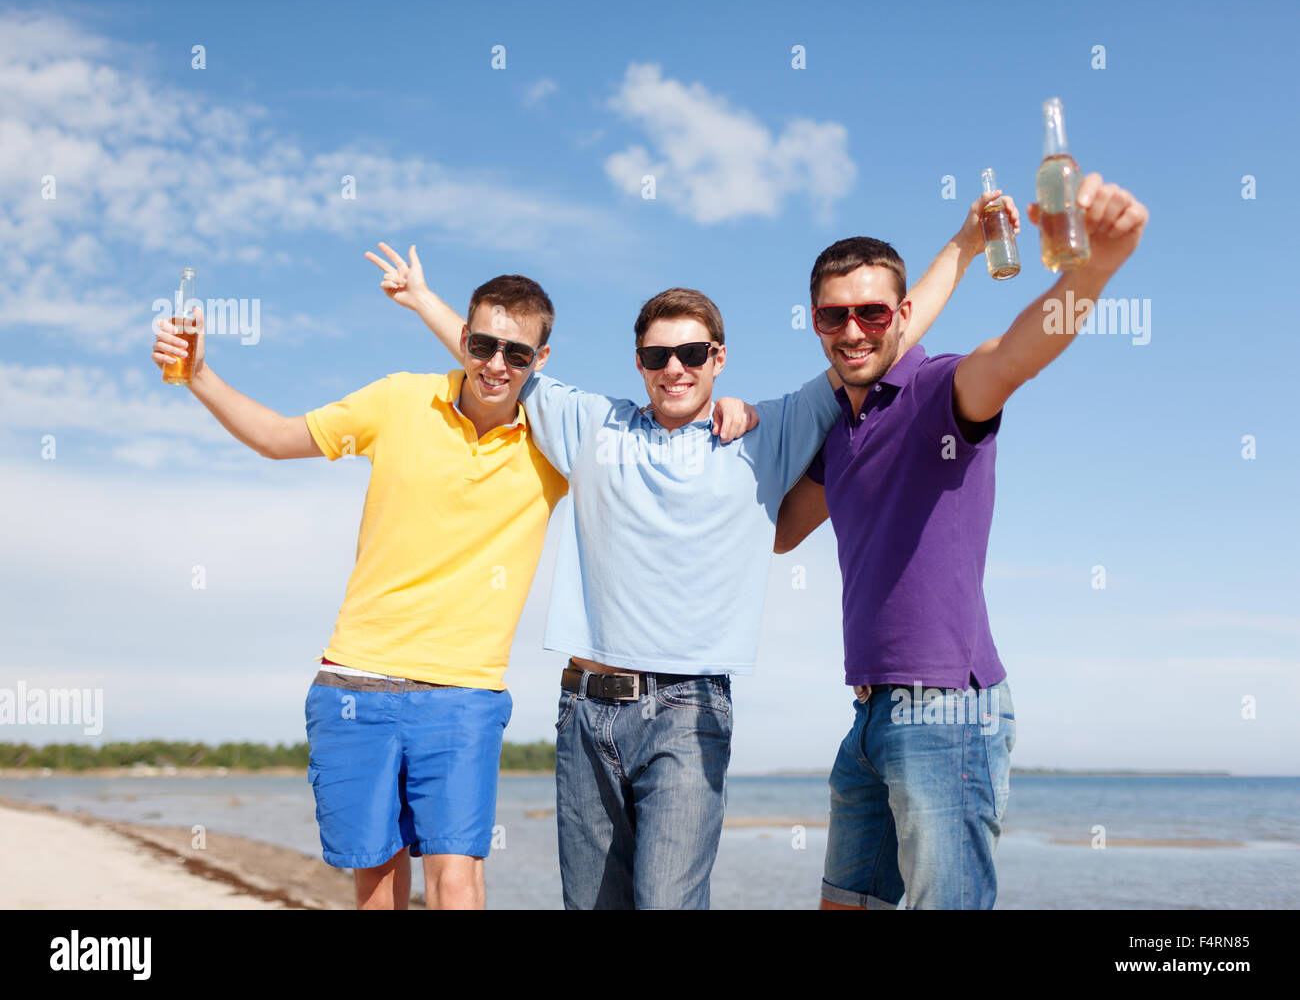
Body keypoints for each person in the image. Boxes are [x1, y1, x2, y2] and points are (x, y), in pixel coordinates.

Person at [367, 188, 1011, 908]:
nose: (675, 368)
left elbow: (873, 329)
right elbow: (499, 359)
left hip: (689, 710)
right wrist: (424, 300)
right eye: (657, 355)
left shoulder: (772, 429)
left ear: (718, 358)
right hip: (585, 710)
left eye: (692, 354)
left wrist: (963, 246)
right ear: (638, 362)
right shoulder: (592, 424)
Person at [775, 172, 1148, 909]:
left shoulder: (939, 394)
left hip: (948, 711)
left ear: (902, 315)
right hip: (871, 713)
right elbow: (781, 530)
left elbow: (1016, 352)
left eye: (873, 313)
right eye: (834, 316)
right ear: (815, 322)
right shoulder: (838, 437)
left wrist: (1096, 267)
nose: (854, 330)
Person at [150, 275, 574, 909]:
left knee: (458, 879)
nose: (496, 365)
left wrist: (740, 418)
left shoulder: (554, 442)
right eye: (484, 345)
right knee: (377, 887)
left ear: (539, 361)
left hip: (463, 695)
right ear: (464, 339)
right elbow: (276, 437)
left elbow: (650, 445)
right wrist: (199, 374)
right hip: (355, 684)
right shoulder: (399, 400)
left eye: (516, 354)